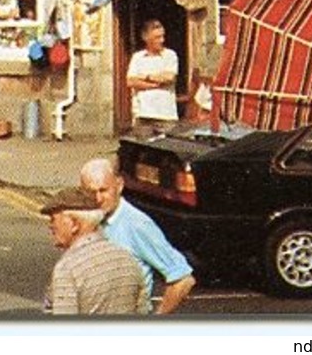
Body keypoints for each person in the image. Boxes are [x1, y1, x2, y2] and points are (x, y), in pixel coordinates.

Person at [80, 157, 196, 314]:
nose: (97, 199)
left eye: (103, 190)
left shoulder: (136, 224)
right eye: (90, 192)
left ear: (119, 185)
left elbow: (182, 279)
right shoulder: (87, 218)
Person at [38, 187, 149, 315]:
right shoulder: (127, 259)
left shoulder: (68, 268)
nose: (50, 226)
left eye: (53, 219)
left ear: (74, 224)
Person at [126, 18, 179, 134]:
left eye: (162, 36)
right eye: (157, 37)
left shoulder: (170, 55)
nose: (162, 40)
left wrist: (145, 77)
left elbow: (169, 78)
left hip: (166, 115)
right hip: (143, 114)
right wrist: (156, 84)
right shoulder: (137, 57)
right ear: (146, 38)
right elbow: (131, 82)